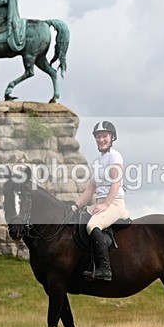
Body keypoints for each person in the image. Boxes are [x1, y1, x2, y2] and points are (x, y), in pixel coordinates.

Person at [71, 121, 129, 282]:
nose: (101, 139)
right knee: (76, 222)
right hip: (99, 202)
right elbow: (90, 190)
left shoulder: (115, 156)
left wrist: (106, 204)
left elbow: (116, 183)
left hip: (114, 202)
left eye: (104, 136)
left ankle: (104, 269)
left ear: (112, 138)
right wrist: (74, 207)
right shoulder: (97, 162)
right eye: (98, 137)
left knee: (92, 226)